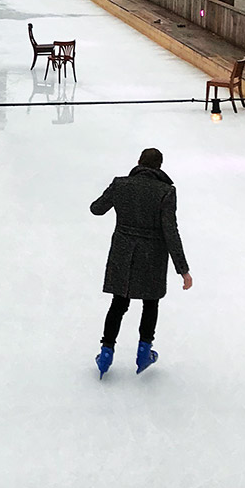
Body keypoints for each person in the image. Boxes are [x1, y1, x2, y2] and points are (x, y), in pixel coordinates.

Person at [89, 147, 191, 377]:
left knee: (119, 303)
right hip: (152, 255)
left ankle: (106, 352)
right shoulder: (166, 192)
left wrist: (115, 195)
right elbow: (170, 231)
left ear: (139, 162)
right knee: (150, 303)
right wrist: (182, 270)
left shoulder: (121, 184)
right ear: (159, 167)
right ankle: (144, 352)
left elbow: (96, 209)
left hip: (123, 253)